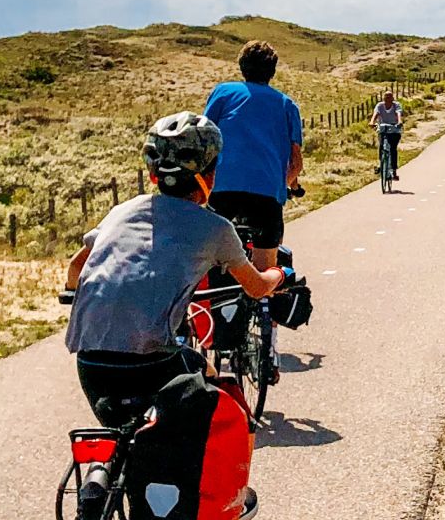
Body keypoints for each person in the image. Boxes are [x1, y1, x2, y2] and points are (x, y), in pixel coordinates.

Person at [66, 112, 288, 427]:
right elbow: (255, 286)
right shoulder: (216, 229)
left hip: (90, 362)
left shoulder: (122, 211)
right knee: (210, 394)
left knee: (124, 439)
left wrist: (79, 292)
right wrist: (278, 276)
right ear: (210, 176)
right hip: (151, 364)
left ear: (154, 175)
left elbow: (77, 268)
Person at [202, 40, 306, 270]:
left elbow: (204, 139)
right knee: (266, 271)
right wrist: (283, 186)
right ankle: (263, 299)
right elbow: (296, 164)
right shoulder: (287, 105)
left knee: (212, 262)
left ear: (242, 66)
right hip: (266, 196)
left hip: (222, 192)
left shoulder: (223, 93)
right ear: (272, 70)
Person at [373, 89, 403, 187]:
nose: (388, 99)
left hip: (394, 128)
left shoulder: (396, 105)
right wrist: (372, 122)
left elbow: (398, 114)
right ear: (383, 98)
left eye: (390, 97)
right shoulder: (380, 105)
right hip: (383, 128)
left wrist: (399, 122)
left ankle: (393, 170)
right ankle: (381, 164)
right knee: (382, 146)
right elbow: (376, 114)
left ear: (393, 98)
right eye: (386, 97)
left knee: (393, 148)